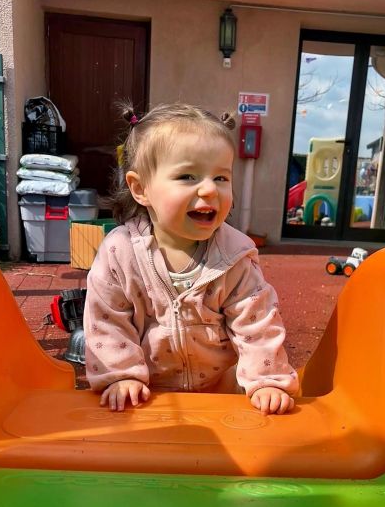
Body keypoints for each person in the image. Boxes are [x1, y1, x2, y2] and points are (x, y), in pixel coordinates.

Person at [84, 103, 299, 414]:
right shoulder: (120, 253)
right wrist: (121, 376)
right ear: (141, 188)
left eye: (221, 178)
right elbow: (106, 321)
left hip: (221, 393)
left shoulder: (234, 256)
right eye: (187, 176)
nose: (210, 189)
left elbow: (258, 324)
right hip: (146, 395)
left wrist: (266, 381)